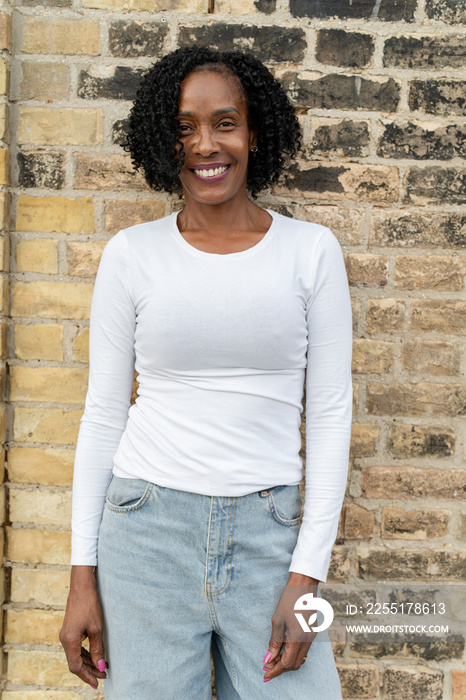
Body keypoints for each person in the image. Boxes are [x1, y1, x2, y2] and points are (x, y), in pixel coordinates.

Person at [59, 46, 353, 699]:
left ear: (255, 132)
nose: (205, 144)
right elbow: (104, 414)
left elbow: (331, 415)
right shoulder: (132, 256)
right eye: (185, 127)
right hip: (147, 534)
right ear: (162, 142)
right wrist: (84, 577)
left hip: (269, 535)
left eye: (224, 122)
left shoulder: (310, 253)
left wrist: (306, 575)